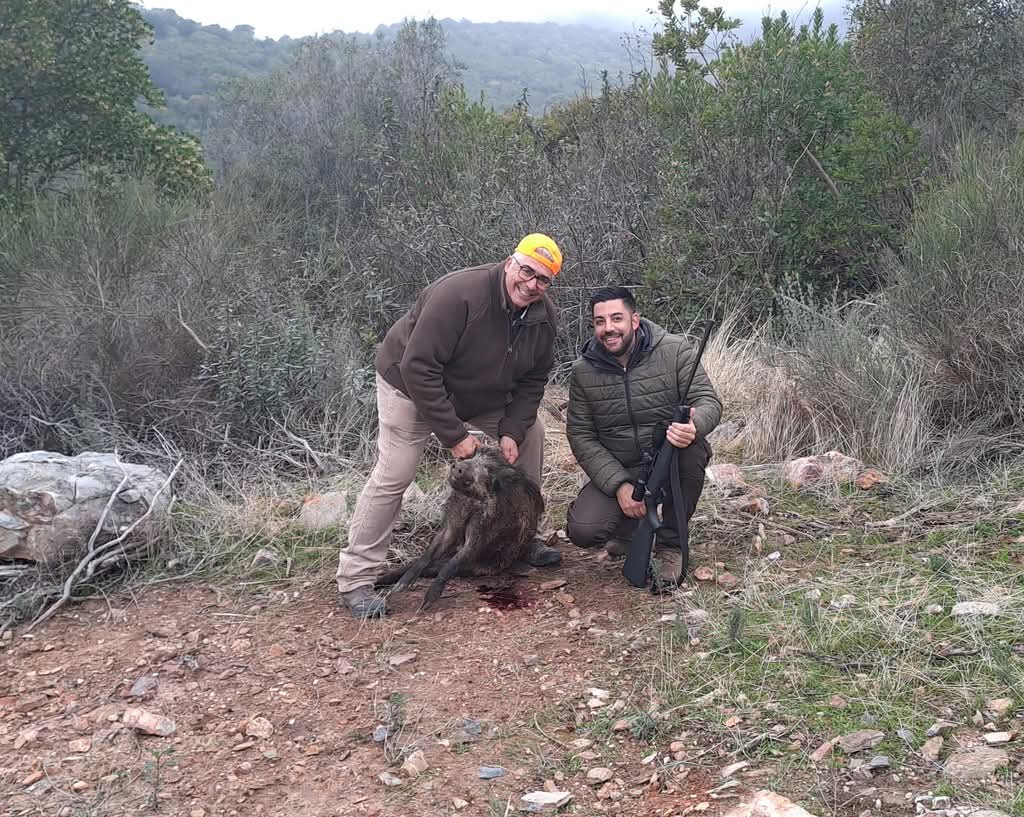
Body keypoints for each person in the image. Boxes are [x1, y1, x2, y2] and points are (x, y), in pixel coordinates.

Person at [337, 234, 565, 618]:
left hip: (479, 392)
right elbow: (418, 367)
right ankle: (357, 577)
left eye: (543, 279)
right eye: (527, 271)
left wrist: (511, 430)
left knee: (531, 434)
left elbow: (533, 380)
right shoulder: (459, 294)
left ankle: (522, 537)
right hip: (410, 386)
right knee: (395, 473)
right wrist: (455, 436)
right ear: (510, 262)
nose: (531, 284)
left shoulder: (543, 318)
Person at [565, 286, 722, 587]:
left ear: (635, 320)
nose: (608, 328)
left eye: (616, 318)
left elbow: (708, 401)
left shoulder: (675, 351)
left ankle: (671, 545)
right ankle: (630, 531)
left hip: (668, 459)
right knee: (584, 529)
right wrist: (619, 485)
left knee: (692, 449)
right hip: (621, 466)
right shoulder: (583, 371)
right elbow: (580, 435)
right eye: (600, 321)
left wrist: (695, 425)